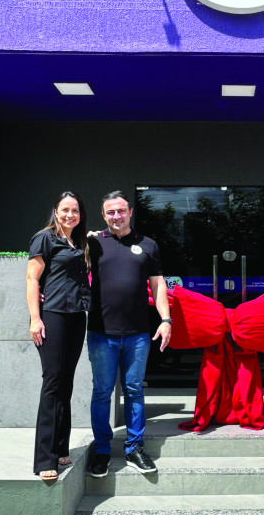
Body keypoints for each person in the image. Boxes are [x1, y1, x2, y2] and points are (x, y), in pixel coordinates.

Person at [87, 190, 171, 478]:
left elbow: (159, 286)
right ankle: (101, 451)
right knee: (102, 392)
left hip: (137, 334)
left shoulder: (148, 245)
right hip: (101, 333)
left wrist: (166, 319)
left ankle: (135, 447)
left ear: (130, 212)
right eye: (110, 212)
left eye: (121, 211)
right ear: (103, 215)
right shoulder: (93, 243)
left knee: (134, 390)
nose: (116, 216)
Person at [26, 191, 91, 480]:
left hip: (77, 316)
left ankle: (61, 447)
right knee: (52, 384)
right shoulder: (45, 237)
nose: (70, 215)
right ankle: (44, 459)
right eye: (65, 209)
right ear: (56, 210)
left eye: (75, 210)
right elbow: (32, 278)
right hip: (52, 315)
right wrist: (35, 318)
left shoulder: (77, 243)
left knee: (66, 382)